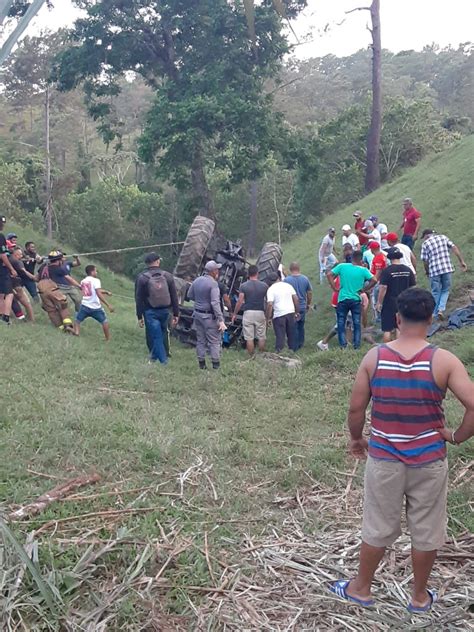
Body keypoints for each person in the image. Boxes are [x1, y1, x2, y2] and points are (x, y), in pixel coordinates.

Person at [330, 287, 474, 612]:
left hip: (384, 460)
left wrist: (356, 438)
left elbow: (356, 410)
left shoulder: (375, 357)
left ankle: (361, 589)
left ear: (397, 318)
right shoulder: (444, 361)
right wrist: (456, 436)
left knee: (378, 525)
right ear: (430, 318)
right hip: (429, 462)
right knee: (426, 529)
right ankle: (420, 597)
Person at [135, 252, 180, 365]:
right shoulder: (168, 276)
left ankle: (163, 361)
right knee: (163, 332)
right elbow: (174, 296)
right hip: (166, 310)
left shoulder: (142, 278)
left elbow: (139, 298)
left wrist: (139, 315)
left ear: (146, 263)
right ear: (158, 261)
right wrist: (176, 313)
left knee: (156, 335)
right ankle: (156, 357)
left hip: (150, 311)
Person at [326, 250, 376, 350]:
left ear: (351, 258)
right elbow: (374, 280)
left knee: (341, 322)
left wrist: (334, 288)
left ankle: (343, 345)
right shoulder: (363, 270)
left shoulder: (342, 266)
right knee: (356, 323)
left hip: (343, 298)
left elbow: (329, 274)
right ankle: (356, 346)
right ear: (361, 260)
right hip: (356, 299)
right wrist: (364, 289)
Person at [420, 229, 467, 320]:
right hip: (446, 268)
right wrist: (462, 261)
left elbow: (425, 261)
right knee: (445, 290)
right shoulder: (443, 238)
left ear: (426, 236)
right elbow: (454, 248)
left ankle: (433, 313)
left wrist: (427, 271)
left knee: (435, 292)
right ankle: (441, 309)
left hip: (434, 271)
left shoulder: (425, 244)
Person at [188, 260, 227, 369]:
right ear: (213, 271)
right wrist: (220, 320)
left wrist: (200, 300)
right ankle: (215, 366)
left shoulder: (197, 280)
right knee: (214, 341)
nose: (218, 271)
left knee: (200, 340)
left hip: (197, 314)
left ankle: (202, 364)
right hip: (209, 317)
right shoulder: (213, 284)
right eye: (217, 270)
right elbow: (215, 303)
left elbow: (189, 295)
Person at [376, 247, 416, 342]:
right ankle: (399, 347)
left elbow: (383, 288)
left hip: (389, 302)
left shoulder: (387, 271)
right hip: (404, 302)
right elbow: (413, 287)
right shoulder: (407, 270)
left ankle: (387, 348)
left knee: (387, 328)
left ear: (390, 257)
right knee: (399, 326)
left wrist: (379, 302)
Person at [232, 264, 268, 355]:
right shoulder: (264, 286)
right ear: (257, 273)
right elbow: (268, 301)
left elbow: (240, 301)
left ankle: (251, 356)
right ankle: (261, 355)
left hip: (248, 313)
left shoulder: (243, 286)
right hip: (260, 312)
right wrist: (268, 315)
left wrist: (235, 313)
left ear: (248, 274)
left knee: (249, 337)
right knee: (261, 336)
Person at [36, 253, 75, 332]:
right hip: (51, 287)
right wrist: (79, 286)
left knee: (51, 310)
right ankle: (68, 325)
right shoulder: (58, 268)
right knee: (63, 305)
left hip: (41, 288)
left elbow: (36, 278)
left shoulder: (43, 267)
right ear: (58, 260)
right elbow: (68, 278)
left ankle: (60, 328)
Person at [74, 265, 114, 340]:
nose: (96, 272)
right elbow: (98, 293)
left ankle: (77, 332)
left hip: (85, 305)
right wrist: (108, 305)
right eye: (95, 271)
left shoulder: (83, 281)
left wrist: (105, 292)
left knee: (77, 320)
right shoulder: (96, 280)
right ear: (92, 272)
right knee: (104, 321)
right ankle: (107, 339)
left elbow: (92, 290)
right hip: (96, 307)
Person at [266, 272, 299, 353]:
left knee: (280, 336)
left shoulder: (271, 289)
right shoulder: (288, 286)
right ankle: (292, 351)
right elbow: (296, 299)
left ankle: (279, 352)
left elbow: (270, 304)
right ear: (279, 278)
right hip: (290, 312)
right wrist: (296, 312)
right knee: (291, 334)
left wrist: (268, 318)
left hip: (279, 315)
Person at [284, 262, 313, 350]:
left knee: (293, 326)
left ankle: (294, 346)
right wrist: (308, 304)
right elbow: (309, 292)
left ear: (290, 269)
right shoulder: (305, 279)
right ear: (299, 268)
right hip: (302, 306)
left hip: (291, 307)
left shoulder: (286, 280)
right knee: (301, 325)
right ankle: (301, 343)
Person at [0, 216, 18, 325]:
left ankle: (1, 315)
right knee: (9, 293)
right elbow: (2, 255)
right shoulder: (1, 237)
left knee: (1, 294)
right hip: (2, 269)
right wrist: (11, 269)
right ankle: (6, 317)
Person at [9, 247, 35, 322]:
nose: (21, 256)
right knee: (26, 302)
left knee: (10, 301)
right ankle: (31, 320)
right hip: (16, 284)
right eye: (20, 254)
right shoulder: (17, 261)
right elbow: (24, 271)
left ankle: (13, 317)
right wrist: (33, 277)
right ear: (16, 254)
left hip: (9, 284)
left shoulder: (8, 259)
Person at [369, 241, 387, 322]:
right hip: (380, 282)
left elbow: (377, 273)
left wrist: (372, 284)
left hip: (378, 283)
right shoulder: (382, 256)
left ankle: (379, 321)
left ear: (372, 249)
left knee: (377, 302)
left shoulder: (378, 258)